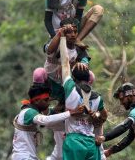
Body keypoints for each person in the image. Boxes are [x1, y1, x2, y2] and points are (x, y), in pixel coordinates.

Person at [60, 29, 107, 160]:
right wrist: (95, 115)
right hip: (91, 143)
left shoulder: (70, 87)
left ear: (73, 77)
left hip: (74, 142)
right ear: (89, 79)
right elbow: (103, 117)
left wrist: (62, 38)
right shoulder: (98, 98)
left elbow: (64, 63)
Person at [11, 80, 84, 160]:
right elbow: (46, 120)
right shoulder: (29, 112)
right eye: (46, 100)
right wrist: (71, 112)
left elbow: (47, 114)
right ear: (37, 100)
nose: (48, 103)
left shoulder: (27, 111)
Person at [44, 17, 90, 103]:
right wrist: (60, 34)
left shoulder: (79, 49)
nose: (73, 34)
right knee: (39, 73)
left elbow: (85, 62)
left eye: (75, 32)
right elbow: (49, 50)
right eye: (68, 32)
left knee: (90, 74)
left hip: (65, 84)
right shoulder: (54, 43)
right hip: (49, 82)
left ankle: (86, 99)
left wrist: (79, 64)